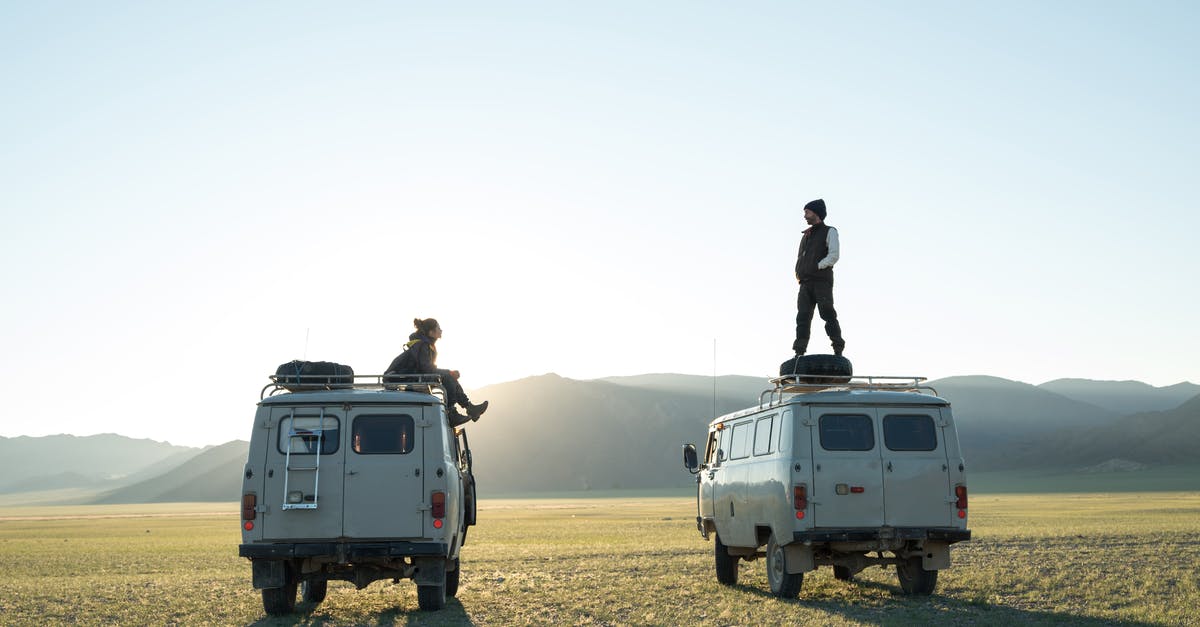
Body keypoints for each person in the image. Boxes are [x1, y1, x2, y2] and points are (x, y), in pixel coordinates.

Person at [385, 318, 489, 426]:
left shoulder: (426, 345)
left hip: (408, 376)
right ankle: (453, 413)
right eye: (438, 328)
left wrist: (449, 373)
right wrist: (448, 372)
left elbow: (427, 369)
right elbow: (427, 369)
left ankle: (468, 408)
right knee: (448, 377)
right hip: (398, 378)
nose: (441, 330)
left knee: (449, 376)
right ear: (431, 332)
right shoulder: (422, 345)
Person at [793, 198, 846, 356]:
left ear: (815, 213)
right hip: (804, 283)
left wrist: (817, 266)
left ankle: (838, 347)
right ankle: (799, 352)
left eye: (807, 212)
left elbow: (834, 255)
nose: (805, 216)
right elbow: (800, 258)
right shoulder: (806, 236)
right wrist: (799, 273)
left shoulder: (830, 231)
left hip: (821, 281)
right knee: (802, 317)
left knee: (827, 313)